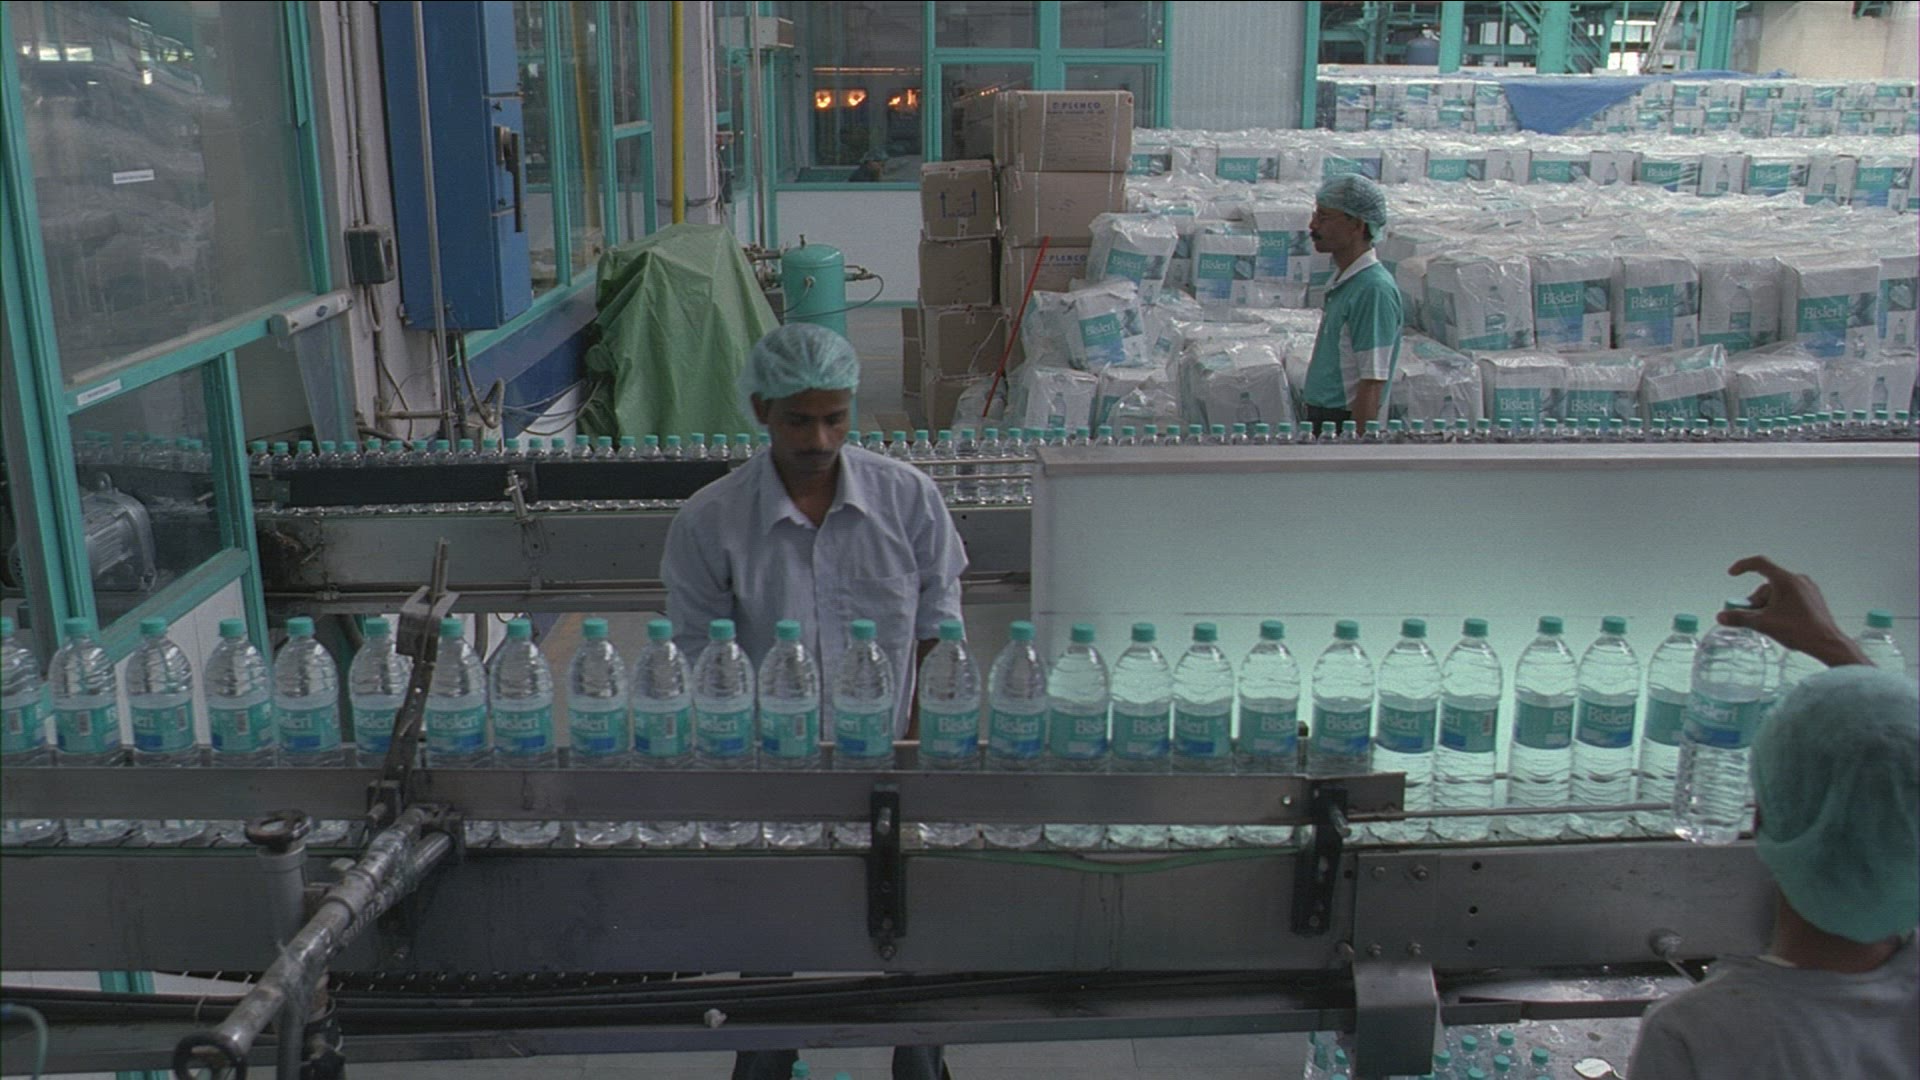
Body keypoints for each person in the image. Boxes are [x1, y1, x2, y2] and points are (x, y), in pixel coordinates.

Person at [660, 322, 963, 1080]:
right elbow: (698, 658)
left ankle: (919, 1059)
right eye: (798, 420)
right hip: (770, 767)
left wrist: (916, 749)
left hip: (892, 755)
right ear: (760, 410)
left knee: (912, 927)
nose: (820, 439)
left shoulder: (908, 499)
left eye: (835, 418)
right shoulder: (712, 519)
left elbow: (937, 632)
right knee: (771, 933)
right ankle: (766, 1055)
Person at [1627, 555, 1918, 1079]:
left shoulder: (1695, 1034)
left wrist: (1829, 642)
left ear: (1759, 817)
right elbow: (1898, 770)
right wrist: (1832, 644)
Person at [1302, 173, 1403, 433]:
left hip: (1342, 424)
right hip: (1323, 420)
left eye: (1324, 217)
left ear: (1357, 225)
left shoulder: (1373, 289)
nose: (1313, 225)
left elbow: (1372, 381)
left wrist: (1356, 447)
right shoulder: (1345, 281)